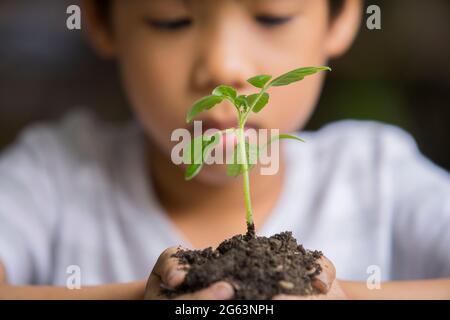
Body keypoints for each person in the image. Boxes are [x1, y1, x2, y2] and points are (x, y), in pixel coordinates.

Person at [0, 0, 449, 300]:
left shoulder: (379, 174)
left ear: (342, 17)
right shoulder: (52, 176)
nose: (224, 66)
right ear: (99, 20)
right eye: (170, 19)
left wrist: (340, 294)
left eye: (272, 16)